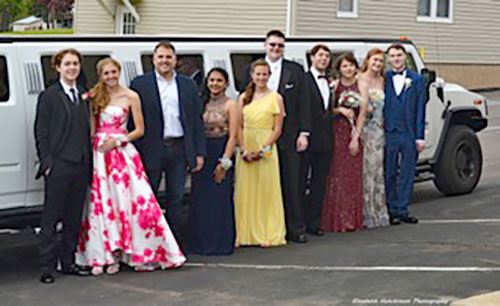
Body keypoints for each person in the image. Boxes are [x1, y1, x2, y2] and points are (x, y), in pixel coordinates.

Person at [75, 58, 186, 274]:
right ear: (100, 75)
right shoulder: (95, 96)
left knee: (128, 201)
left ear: (119, 72)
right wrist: (96, 149)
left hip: (122, 153)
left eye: (113, 72)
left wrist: (117, 141)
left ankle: (130, 251)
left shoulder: (131, 96)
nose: (110, 77)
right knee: (102, 204)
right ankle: (105, 254)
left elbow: (140, 129)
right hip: (101, 156)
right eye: (106, 73)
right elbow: (91, 128)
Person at [130, 41, 206, 243]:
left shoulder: (188, 84)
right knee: (149, 198)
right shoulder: (140, 84)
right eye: (160, 57)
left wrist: (199, 152)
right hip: (151, 149)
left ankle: (173, 245)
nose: (164, 61)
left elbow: (196, 120)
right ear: (153, 60)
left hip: (179, 149)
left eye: (168, 57)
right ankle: (149, 244)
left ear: (175, 60)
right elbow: (132, 121)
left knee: (176, 198)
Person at [241, 30, 311, 243]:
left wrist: (304, 133)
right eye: (272, 45)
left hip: (288, 135)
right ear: (265, 45)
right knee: (263, 185)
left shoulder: (295, 70)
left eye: (280, 45)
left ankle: (295, 228)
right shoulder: (250, 69)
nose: (276, 48)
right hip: (257, 136)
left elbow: (303, 103)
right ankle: (261, 228)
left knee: (292, 182)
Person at [34, 49, 92, 284]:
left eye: (75, 64)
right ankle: (46, 267)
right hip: (59, 166)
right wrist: (47, 162)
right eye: (67, 64)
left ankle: (68, 262)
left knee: (74, 218)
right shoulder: (49, 96)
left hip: (80, 166)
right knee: (51, 219)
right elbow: (41, 131)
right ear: (57, 67)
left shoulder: (83, 94)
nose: (72, 68)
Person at [234, 59, 286, 248]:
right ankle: (244, 233)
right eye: (258, 74)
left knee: (266, 191)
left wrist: (264, 149)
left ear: (269, 76)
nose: (261, 77)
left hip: (267, 147)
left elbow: (277, 128)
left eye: (265, 74)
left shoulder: (276, 98)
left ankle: (267, 232)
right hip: (246, 144)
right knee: (245, 191)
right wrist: (244, 149)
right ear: (252, 75)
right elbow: (238, 126)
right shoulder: (243, 98)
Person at [187, 68, 238, 255]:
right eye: (211, 80)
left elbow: (233, 136)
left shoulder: (231, 105)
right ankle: (199, 243)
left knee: (219, 200)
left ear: (226, 83)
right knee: (200, 200)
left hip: (221, 151)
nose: (214, 84)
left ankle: (219, 243)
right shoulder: (202, 103)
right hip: (203, 152)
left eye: (219, 80)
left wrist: (224, 163)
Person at [321, 53, 364, 232]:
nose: (348, 69)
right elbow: (326, 109)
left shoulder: (361, 84)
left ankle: (351, 220)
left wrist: (356, 137)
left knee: (352, 177)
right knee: (336, 176)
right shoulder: (334, 85)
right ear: (339, 68)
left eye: (351, 65)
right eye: (345, 66)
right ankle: (336, 220)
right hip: (336, 133)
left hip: (352, 133)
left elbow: (362, 113)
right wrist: (340, 110)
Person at [384, 43, 426, 225]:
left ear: (405, 57)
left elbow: (420, 109)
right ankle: (391, 209)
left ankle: (403, 208)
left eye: (399, 55)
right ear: (389, 59)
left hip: (409, 132)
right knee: (389, 172)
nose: (396, 59)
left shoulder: (416, 80)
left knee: (407, 173)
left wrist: (420, 136)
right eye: (392, 56)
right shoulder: (384, 78)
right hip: (389, 132)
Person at [301, 44, 334, 237]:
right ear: (312, 57)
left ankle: (315, 223)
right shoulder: (304, 79)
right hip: (306, 138)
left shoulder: (330, 81)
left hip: (325, 140)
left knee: (319, 183)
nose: (324, 59)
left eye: (327, 56)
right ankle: (299, 223)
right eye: (320, 55)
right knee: (300, 182)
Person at [358, 48, 390, 228]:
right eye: (374, 60)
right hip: (363, 129)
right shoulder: (359, 78)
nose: (377, 64)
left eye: (380, 61)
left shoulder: (383, 81)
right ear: (367, 60)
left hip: (378, 131)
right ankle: (365, 212)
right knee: (364, 170)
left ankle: (378, 210)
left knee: (377, 170)